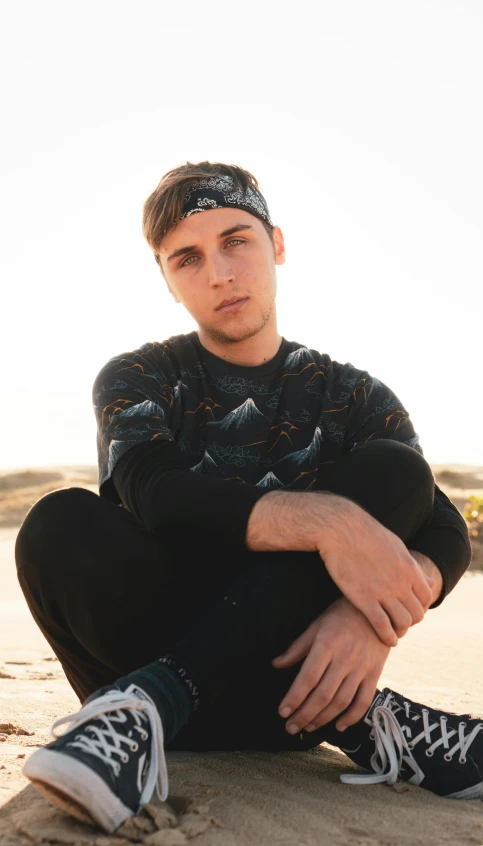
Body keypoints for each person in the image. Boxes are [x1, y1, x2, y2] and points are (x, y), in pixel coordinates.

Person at [15, 162, 482, 834]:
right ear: (168, 282)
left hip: (292, 683)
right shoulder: (140, 376)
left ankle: (155, 699)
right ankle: (365, 723)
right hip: (146, 664)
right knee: (57, 522)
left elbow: (438, 526)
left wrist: (364, 621)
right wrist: (328, 523)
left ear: (277, 245)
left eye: (236, 241)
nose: (220, 273)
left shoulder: (352, 395)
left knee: (395, 470)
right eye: (188, 258)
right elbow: (160, 498)